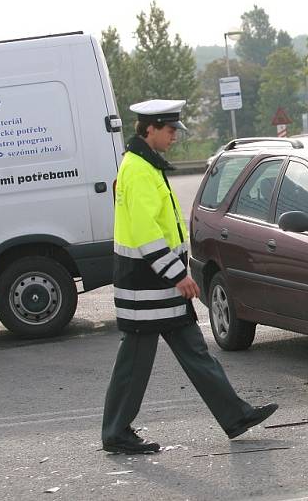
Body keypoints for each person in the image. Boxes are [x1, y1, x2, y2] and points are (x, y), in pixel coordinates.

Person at [102, 99, 278, 454]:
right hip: (146, 285)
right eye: (169, 131)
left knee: (196, 353)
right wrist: (176, 274)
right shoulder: (137, 169)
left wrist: (176, 275)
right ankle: (116, 432)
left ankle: (235, 416)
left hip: (159, 284)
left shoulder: (144, 165)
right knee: (134, 365)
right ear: (149, 129)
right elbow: (145, 232)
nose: (174, 138)